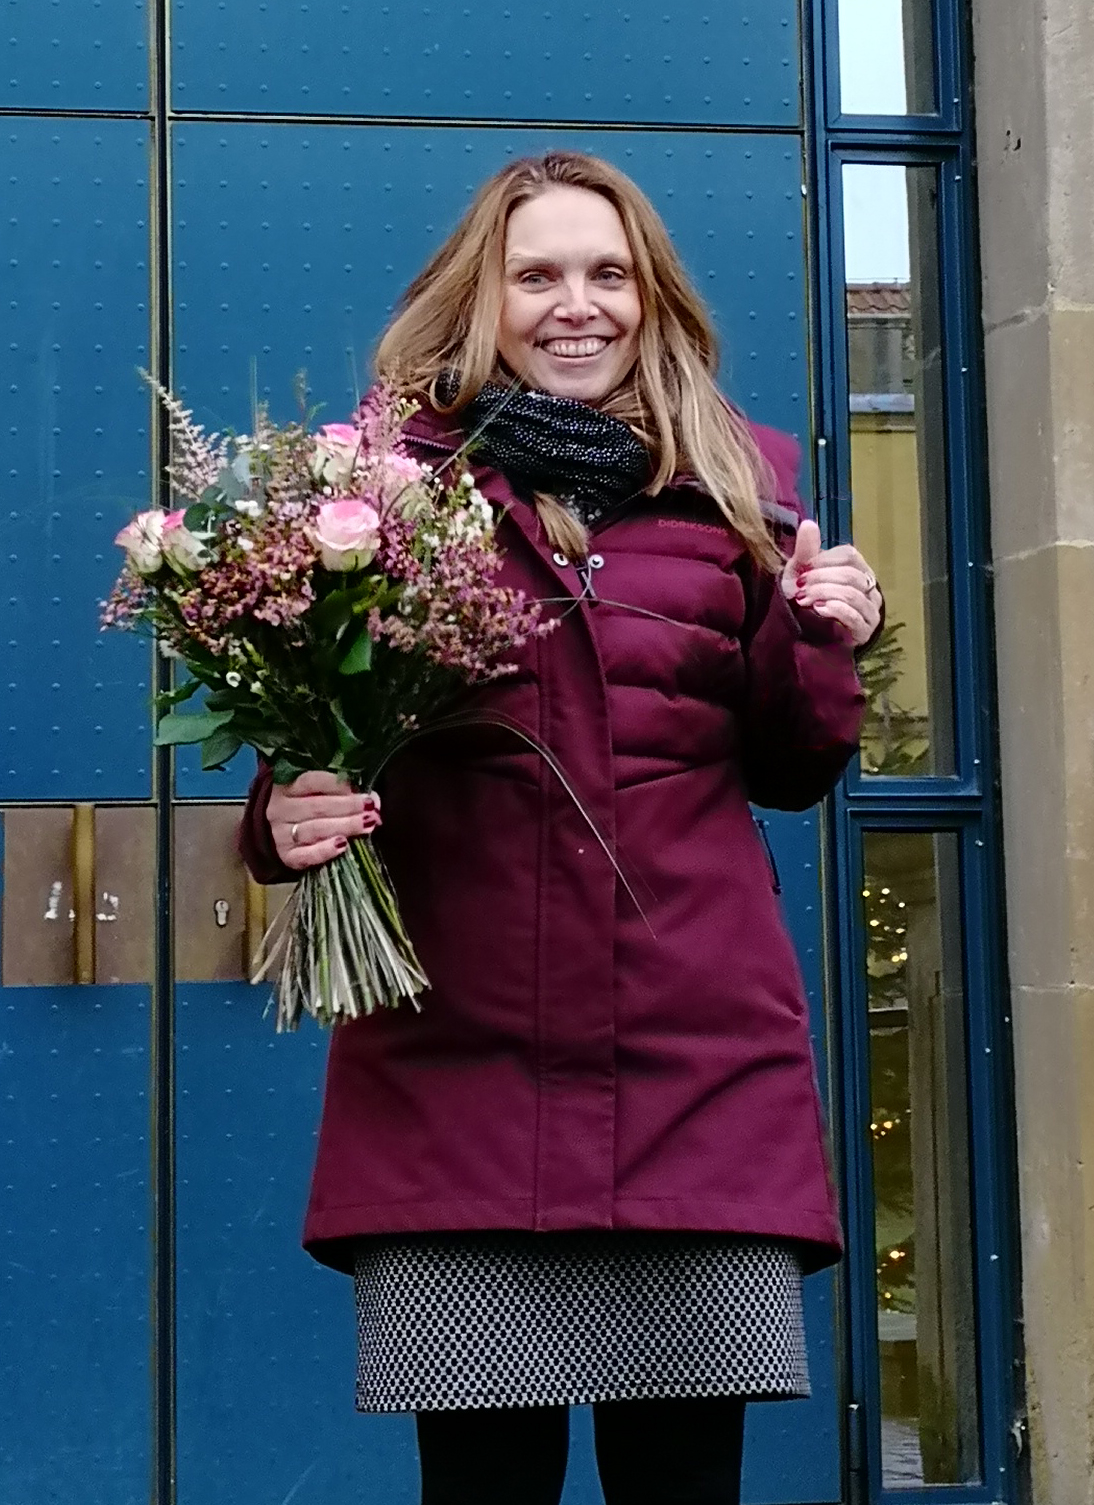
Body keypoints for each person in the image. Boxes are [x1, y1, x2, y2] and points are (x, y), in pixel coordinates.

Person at [239, 151, 882, 1505]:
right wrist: (286, 815)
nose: (573, 303)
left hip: (696, 1075)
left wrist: (830, 639)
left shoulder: (743, 481)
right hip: (459, 1070)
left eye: (607, 273)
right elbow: (315, 743)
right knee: (482, 1483)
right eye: (538, 274)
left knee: (686, 1480)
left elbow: (790, 764)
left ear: (650, 298)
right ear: (487, 296)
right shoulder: (375, 496)